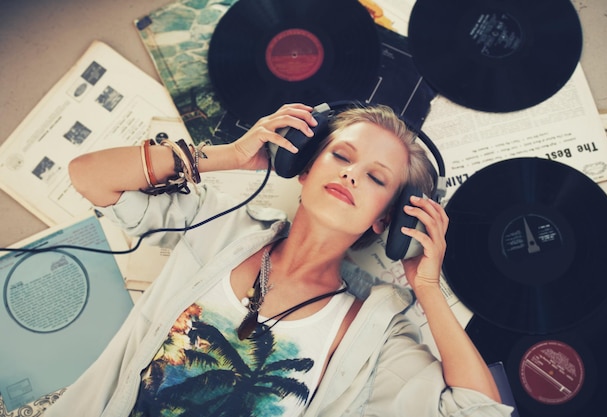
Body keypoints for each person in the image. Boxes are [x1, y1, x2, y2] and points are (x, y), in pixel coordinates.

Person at [45, 103, 513, 416]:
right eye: (341, 156)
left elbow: (479, 410)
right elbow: (89, 176)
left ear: (385, 220)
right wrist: (225, 155)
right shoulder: (222, 227)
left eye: (374, 178)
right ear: (304, 168)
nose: (350, 174)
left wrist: (427, 290)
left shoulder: (374, 329)